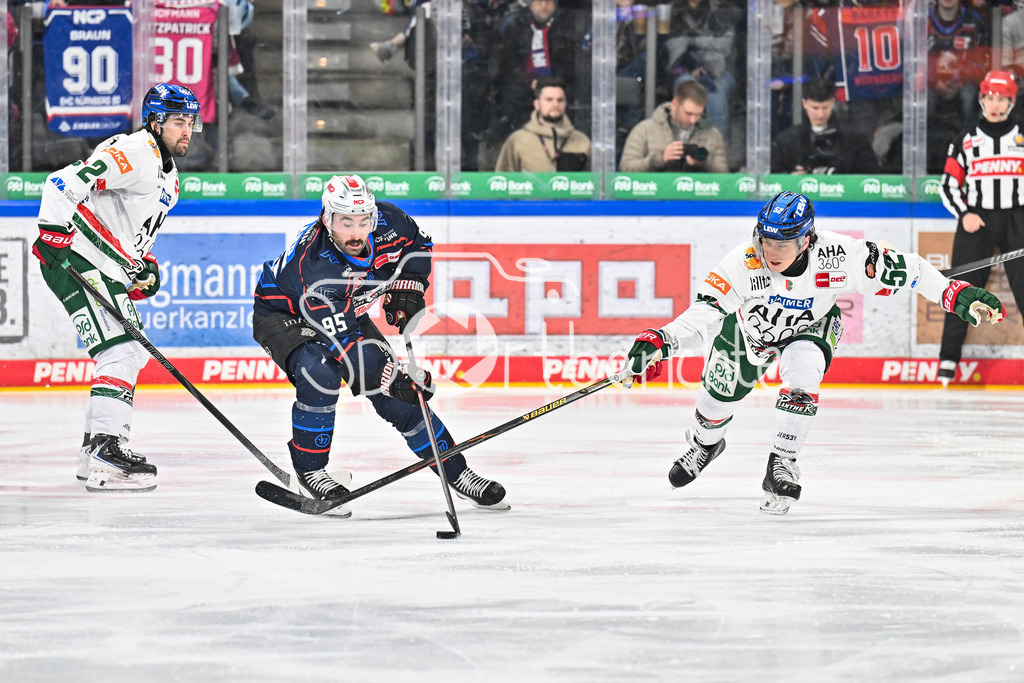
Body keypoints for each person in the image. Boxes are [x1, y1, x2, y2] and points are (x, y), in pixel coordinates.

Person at [622, 191, 1005, 514]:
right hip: (750, 333)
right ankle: (706, 445)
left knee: (803, 379)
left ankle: (781, 463)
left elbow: (910, 269)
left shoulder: (841, 255)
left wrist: (954, 293)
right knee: (714, 402)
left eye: (783, 243)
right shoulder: (742, 262)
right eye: (766, 241)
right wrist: (661, 340)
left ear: (806, 240)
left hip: (811, 327)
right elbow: (705, 311)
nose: (771, 251)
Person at [251, 174, 509, 516]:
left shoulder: (391, 221)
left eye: (364, 221)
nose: (357, 233)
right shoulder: (314, 268)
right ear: (327, 219)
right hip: (284, 314)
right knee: (321, 371)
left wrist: (410, 284)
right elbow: (345, 345)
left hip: (347, 311)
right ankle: (309, 470)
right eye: (346, 223)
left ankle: (456, 471)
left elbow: (418, 245)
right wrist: (391, 376)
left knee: (401, 398)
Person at [32, 84, 201, 492]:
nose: (187, 130)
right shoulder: (135, 152)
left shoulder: (170, 176)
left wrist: (142, 264)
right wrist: (53, 234)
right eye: (178, 121)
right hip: (77, 257)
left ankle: (93, 449)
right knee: (122, 350)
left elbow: (130, 230)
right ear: (154, 122)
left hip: (102, 264)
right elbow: (61, 183)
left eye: (191, 122)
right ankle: (106, 451)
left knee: (127, 352)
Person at [938, 69, 1024, 387]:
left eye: (1002, 98)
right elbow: (948, 184)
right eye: (990, 97)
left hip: (1018, 219)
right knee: (962, 288)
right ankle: (948, 360)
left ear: (1012, 101)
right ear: (981, 99)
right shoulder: (967, 138)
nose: (995, 104)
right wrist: (964, 214)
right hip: (977, 220)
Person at [770, 77, 879, 175]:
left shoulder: (854, 139)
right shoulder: (787, 141)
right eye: (815, 108)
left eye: (825, 108)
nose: (820, 114)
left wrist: (841, 175)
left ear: (833, 103)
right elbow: (773, 180)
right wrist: (791, 179)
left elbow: (870, 177)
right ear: (805, 104)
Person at [619, 79, 727, 172]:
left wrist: (703, 163)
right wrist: (660, 159)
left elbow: (724, 178)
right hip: (656, 190)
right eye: (688, 113)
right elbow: (625, 168)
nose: (693, 120)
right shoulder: (644, 130)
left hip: (698, 190)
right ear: (674, 104)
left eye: (698, 114)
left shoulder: (713, 135)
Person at [494, 77, 591, 172]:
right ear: (537, 104)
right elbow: (502, 179)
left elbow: (595, 179)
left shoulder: (582, 142)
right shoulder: (518, 140)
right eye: (549, 100)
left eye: (560, 100)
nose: (555, 104)